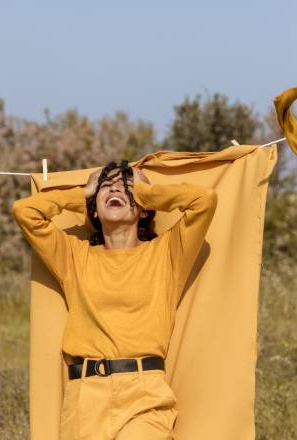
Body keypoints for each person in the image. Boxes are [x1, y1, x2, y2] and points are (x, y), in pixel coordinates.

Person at [12, 160, 217, 439]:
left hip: (144, 397)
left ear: (144, 209)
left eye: (126, 186)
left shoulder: (168, 253)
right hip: (84, 400)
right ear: (95, 209)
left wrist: (146, 192)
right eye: (106, 186)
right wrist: (84, 193)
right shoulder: (74, 256)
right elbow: (25, 211)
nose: (115, 189)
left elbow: (204, 201)